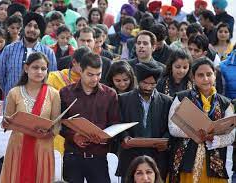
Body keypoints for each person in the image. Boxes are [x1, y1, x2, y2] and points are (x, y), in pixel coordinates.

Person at [168, 57, 235, 183]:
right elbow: (172, 127)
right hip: (185, 160)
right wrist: (194, 134)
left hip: (215, 163)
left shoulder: (225, 103)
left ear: (215, 75)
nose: (205, 79)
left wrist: (214, 139)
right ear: (193, 77)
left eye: (209, 74)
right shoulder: (181, 98)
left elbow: (231, 135)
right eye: (200, 75)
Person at [0, 52, 61, 183]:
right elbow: (6, 123)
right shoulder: (14, 92)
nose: (39, 72)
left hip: (42, 146)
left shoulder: (53, 94)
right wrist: (5, 122)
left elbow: (57, 125)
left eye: (43, 69)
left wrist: (49, 134)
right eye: (35, 67)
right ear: (26, 68)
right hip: (19, 146)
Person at [60, 52, 120, 183]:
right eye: (90, 74)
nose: (95, 79)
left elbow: (115, 124)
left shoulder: (110, 94)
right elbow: (60, 124)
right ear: (80, 71)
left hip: (98, 156)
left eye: (98, 74)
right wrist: (73, 136)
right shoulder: (65, 93)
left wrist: (104, 137)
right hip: (73, 155)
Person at [117, 61, 172, 181]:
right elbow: (118, 123)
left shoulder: (167, 101)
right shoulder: (123, 99)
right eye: (145, 83)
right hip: (130, 155)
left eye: (152, 84)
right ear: (137, 80)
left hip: (157, 157)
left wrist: (165, 141)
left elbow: (171, 127)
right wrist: (124, 137)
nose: (148, 87)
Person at [0, 12, 57, 96]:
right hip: (12, 103)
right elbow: (1, 76)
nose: (32, 29)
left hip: (38, 103)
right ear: (24, 27)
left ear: (40, 31)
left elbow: (51, 79)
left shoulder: (48, 52)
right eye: (29, 25)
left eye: (36, 27)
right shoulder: (9, 49)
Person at [46, 46, 91, 154]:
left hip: (84, 134)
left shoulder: (92, 80)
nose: (87, 69)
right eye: (83, 66)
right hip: (59, 131)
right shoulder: (55, 78)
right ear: (74, 62)